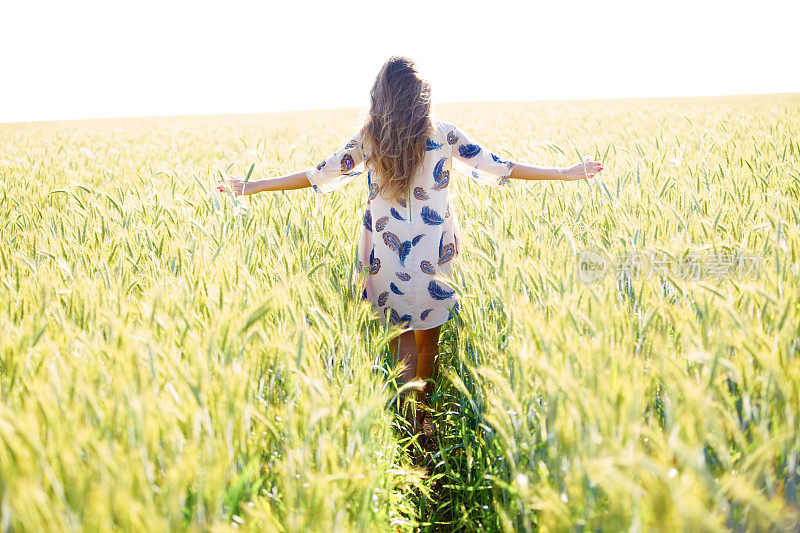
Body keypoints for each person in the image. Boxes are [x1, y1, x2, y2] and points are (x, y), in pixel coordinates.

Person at [225, 56, 603, 463]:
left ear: (380, 97)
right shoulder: (444, 134)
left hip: (385, 259)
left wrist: (251, 187)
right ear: (421, 97)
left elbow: (317, 175)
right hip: (433, 257)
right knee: (428, 345)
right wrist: (564, 172)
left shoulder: (369, 140)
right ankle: (426, 425)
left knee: (402, 344)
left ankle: (409, 433)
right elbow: (500, 168)